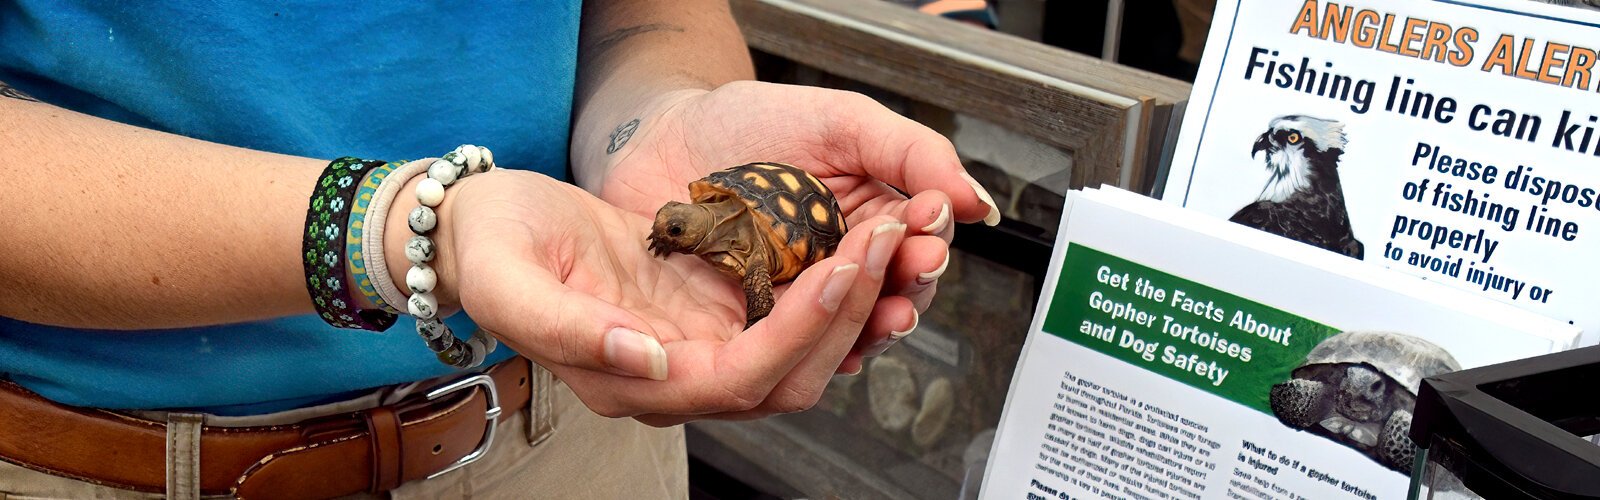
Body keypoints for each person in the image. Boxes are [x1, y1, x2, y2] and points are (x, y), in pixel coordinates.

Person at [0, 1, 1000, 498]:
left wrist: (655, 120)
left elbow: (648, 16)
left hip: (577, 425)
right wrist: (412, 227)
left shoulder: (697, 222)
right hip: (116, 455)